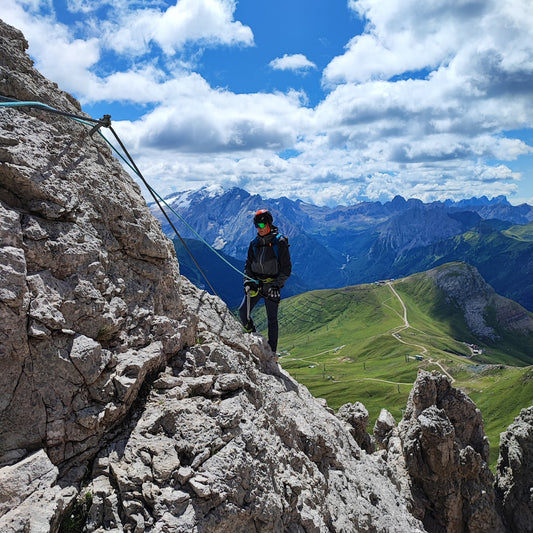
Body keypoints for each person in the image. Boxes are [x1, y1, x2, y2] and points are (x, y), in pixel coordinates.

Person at [238, 209, 291, 353]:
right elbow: (248, 266)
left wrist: (276, 285)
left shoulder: (279, 242)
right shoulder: (254, 244)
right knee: (243, 312)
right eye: (257, 226)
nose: (259, 229)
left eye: (261, 225)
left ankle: (272, 351)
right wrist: (247, 282)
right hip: (256, 284)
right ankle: (251, 335)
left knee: (272, 320)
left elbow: (286, 269)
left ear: (269, 224)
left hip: (272, 286)